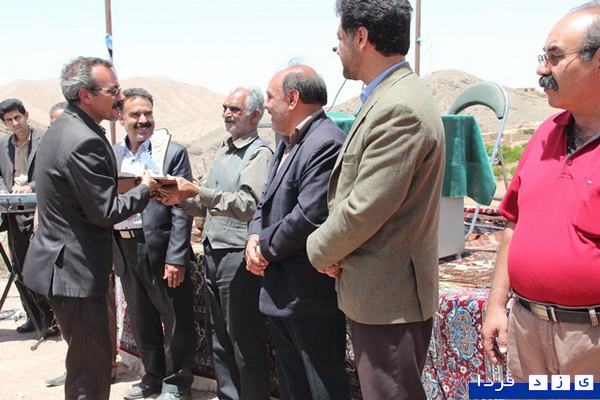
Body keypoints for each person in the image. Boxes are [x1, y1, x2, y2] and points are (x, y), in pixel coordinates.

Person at [305, 1, 446, 399]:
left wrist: (319, 250)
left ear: (362, 37)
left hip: (390, 296)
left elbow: (365, 207)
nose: (337, 48)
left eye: (340, 38)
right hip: (381, 292)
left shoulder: (399, 107)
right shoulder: (388, 96)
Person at [22, 56, 156, 400]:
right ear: (85, 95)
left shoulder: (64, 127)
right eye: (113, 91)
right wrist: (147, 188)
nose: (121, 97)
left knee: (84, 364)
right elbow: (105, 211)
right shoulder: (84, 139)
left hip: (62, 267)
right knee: (89, 373)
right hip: (76, 274)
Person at [482, 1, 600, 383]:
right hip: (528, 332)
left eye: (554, 57)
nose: (541, 69)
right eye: (542, 56)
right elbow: (513, 223)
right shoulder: (546, 133)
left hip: (590, 344)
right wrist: (496, 305)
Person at [158, 87, 272, 400]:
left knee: (243, 341)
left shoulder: (258, 154)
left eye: (235, 109)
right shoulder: (224, 152)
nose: (227, 114)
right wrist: (176, 198)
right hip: (212, 253)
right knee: (218, 339)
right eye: (224, 108)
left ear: (255, 115)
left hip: (238, 256)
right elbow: (204, 204)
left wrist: (197, 192)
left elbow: (250, 205)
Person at [245, 65, 350, 400]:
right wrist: (253, 236)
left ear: (292, 99)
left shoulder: (325, 142)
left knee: (323, 388)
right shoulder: (287, 143)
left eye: (270, 97)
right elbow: (265, 201)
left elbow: (309, 215)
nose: (266, 105)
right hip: (284, 293)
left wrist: (264, 248)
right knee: (294, 388)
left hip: (310, 295)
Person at [112, 88, 195, 400]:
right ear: (121, 117)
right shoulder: (112, 155)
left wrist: (176, 257)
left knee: (174, 321)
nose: (143, 120)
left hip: (160, 251)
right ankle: (152, 379)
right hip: (125, 249)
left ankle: (177, 385)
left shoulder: (171, 153)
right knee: (142, 319)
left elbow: (182, 208)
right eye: (135, 114)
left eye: (148, 113)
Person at [0, 98, 56, 337]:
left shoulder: (46, 139)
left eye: (17, 117)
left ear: (26, 115)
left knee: (42, 265)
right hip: (13, 213)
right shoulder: (2, 145)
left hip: (42, 210)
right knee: (20, 266)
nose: (15, 123)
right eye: (9, 120)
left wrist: (31, 187)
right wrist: (3, 189)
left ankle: (53, 317)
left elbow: (53, 169)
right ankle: (33, 316)